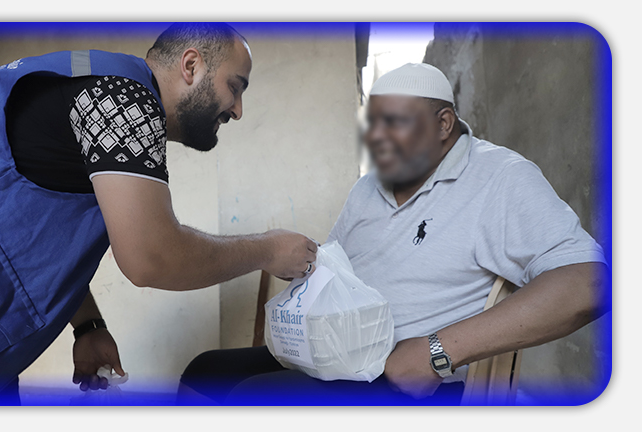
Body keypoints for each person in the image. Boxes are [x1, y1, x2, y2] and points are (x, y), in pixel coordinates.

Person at [0, 22, 318, 405]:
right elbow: (151, 257)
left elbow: (38, 233)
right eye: (236, 87)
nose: (238, 110)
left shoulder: (102, 97)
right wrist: (268, 249)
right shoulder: (122, 102)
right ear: (191, 65)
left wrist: (88, 324)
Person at [177, 63, 609, 405]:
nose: (377, 139)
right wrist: (303, 266)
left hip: (417, 378)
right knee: (205, 373)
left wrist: (437, 351)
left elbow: (587, 283)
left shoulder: (500, 177)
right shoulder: (370, 187)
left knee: (257, 397)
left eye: (394, 124)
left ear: (443, 124)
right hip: (346, 356)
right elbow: (340, 274)